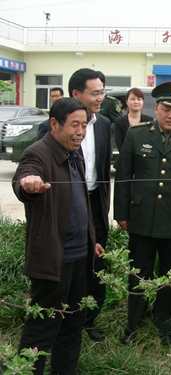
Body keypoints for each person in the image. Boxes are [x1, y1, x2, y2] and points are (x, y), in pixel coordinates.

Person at [13, 98, 104, 375]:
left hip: (80, 258)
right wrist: (29, 184)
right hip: (53, 262)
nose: (80, 132)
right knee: (42, 328)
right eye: (74, 125)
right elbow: (24, 180)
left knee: (73, 326)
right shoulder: (38, 154)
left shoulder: (74, 155)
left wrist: (92, 240)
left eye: (84, 125)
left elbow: (80, 204)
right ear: (54, 124)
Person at [114, 81, 171, 346]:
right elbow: (123, 177)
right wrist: (121, 213)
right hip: (141, 217)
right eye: (166, 108)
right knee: (137, 273)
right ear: (155, 108)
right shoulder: (137, 134)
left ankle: (166, 326)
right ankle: (132, 325)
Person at [37, 68, 112, 342]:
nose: (100, 98)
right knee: (67, 264)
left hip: (94, 203)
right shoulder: (52, 127)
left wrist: (104, 209)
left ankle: (87, 319)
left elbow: (104, 170)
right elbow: (39, 167)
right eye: (95, 93)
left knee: (95, 263)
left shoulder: (103, 124)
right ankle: (58, 318)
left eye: (102, 92)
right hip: (65, 205)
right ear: (76, 94)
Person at [114, 87, 154, 152]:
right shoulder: (119, 122)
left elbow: (150, 143)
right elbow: (120, 145)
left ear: (143, 101)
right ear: (127, 102)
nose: (136, 102)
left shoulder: (149, 120)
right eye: (132, 99)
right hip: (125, 158)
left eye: (139, 99)